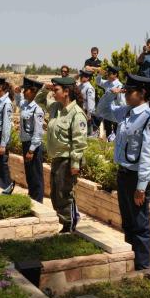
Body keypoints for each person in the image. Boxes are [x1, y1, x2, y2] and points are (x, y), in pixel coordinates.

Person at [96, 73, 150, 270]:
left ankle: (143, 268)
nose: (126, 94)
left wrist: (142, 187)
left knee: (140, 225)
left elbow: (149, 155)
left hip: (136, 179)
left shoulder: (149, 119)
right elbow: (102, 110)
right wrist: (110, 93)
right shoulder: (126, 111)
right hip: (123, 175)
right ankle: (131, 263)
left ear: (142, 93)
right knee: (128, 223)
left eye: (129, 91)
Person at [35, 76, 87, 233]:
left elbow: (79, 142)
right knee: (56, 194)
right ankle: (66, 222)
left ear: (66, 92)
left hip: (67, 159)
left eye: (56, 90)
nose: (53, 92)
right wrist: (46, 88)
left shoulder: (76, 114)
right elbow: (38, 100)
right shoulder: (56, 107)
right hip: (57, 158)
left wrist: (75, 164)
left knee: (64, 193)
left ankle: (69, 224)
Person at [14, 77, 45, 203]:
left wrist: (31, 150)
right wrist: (17, 92)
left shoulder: (37, 109)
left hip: (33, 146)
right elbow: (18, 102)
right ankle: (32, 197)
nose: (23, 92)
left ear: (32, 91)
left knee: (36, 174)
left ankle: (38, 200)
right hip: (25, 142)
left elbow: (38, 132)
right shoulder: (25, 105)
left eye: (25, 90)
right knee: (29, 173)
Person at [96, 65, 124, 139]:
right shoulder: (108, 83)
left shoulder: (119, 85)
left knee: (116, 131)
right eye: (107, 73)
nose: (107, 74)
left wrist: (121, 114)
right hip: (107, 110)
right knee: (108, 130)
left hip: (115, 111)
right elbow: (98, 82)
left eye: (110, 73)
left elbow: (121, 102)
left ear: (115, 74)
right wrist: (99, 75)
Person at [78, 69, 96, 136]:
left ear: (88, 78)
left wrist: (89, 114)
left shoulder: (89, 88)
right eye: (81, 76)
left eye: (83, 76)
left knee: (88, 133)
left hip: (86, 112)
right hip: (80, 110)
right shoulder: (81, 86)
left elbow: (90, 102)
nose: (81, 77)